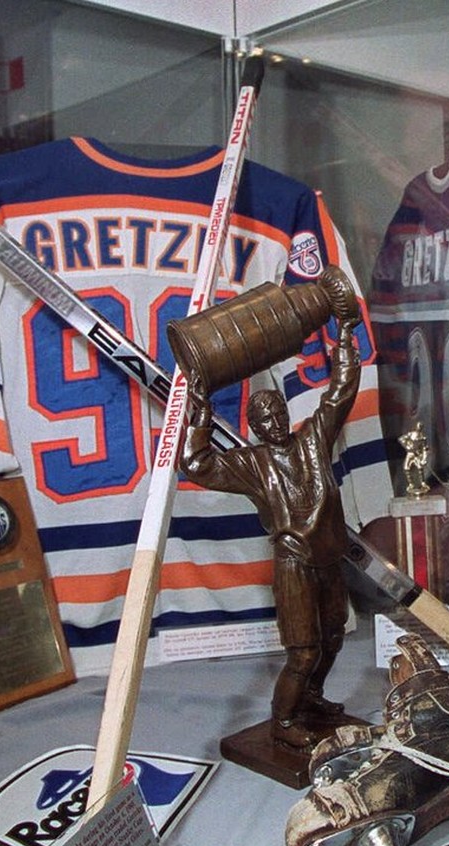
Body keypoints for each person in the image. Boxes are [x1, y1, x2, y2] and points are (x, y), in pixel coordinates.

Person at [181, 277, 364, 750]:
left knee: (334, 639)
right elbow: (196, 464)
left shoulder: (312, 439)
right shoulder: (252, 464)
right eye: (264, 420)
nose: (275, 422)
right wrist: (199, 411)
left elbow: (340, 391)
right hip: (294, 566)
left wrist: (345, 331)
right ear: (255, 428)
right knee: (302, 652)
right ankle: (283, 720)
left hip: (328, 558)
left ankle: (313, 699)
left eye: (279, 413)